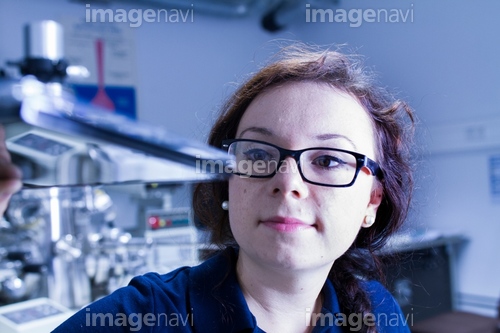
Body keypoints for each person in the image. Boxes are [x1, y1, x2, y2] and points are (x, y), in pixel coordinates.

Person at [2, 43, 415, 332]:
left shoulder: (377, 311)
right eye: (257, 155)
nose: (286, 183)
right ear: (226, 178)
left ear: (372, 201)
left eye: (328, 160)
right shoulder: (143, 317)